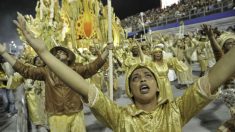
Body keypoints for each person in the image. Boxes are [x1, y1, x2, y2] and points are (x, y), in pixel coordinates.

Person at [13, 12, 235, 132]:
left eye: (148, 75)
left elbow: (216, 76)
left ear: (158, 85)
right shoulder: (119, 117)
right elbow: (79, 81)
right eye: (135, 78)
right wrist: (44, 53)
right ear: (130, 90)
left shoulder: (176, 111)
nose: (142, 79)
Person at [0, 14, 112, 132]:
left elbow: (92, 67)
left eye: (61, 51)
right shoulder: (46, 71)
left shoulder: (75, 69)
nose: (59, 53)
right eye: (56, 53)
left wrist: (106, 51)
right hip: (56, 115)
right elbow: (25, 70)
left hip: (76, 112)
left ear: (69, 57)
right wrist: (4, 53)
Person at [202, 24, 235, 132]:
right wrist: (211, 37)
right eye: (229, 43)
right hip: (231, 93)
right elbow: (217, 51)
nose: (233, 44)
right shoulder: (223, 59)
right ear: (224, 47)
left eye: (234, 42)